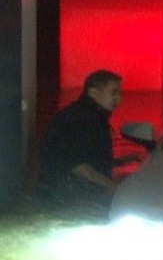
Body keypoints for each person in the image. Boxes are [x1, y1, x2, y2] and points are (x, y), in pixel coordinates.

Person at [37, 69, 128, 212]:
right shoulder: (84, 120)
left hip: (65, 197)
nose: (118, 99)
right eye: (113, 92)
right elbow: (76, 164)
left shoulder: (88, 115)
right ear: (93, 93)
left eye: (120, 93)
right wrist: (112, 186)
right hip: (69, 200)